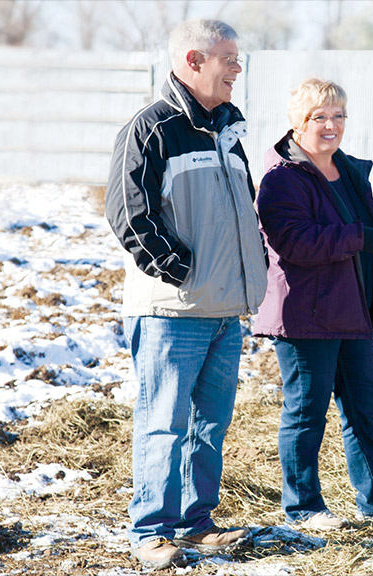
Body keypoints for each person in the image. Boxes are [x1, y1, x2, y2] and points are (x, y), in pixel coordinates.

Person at [104, 19, 268, 571]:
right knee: (164, 423)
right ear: (194, 61)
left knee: (208, 427)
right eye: (229, 58)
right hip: (172, 311)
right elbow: (129, 213)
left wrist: (251, 273)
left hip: (225, 310)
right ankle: (151, 532)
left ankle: (197, 525)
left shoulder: (227, 131)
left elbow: (241, 214)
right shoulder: (152, 129)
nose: (237, 68)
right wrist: (181, 272)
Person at [252, 78, 373, 531]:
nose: (330, 126)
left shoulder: (347, 169)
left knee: (363, 405)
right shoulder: (283, 178)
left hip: (351, 310)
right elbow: (292, 242)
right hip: (305, 315)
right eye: (319, 117)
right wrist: (356, 238)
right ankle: (304, 507)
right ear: (297, 122)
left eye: (338, 116)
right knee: (306, 411)